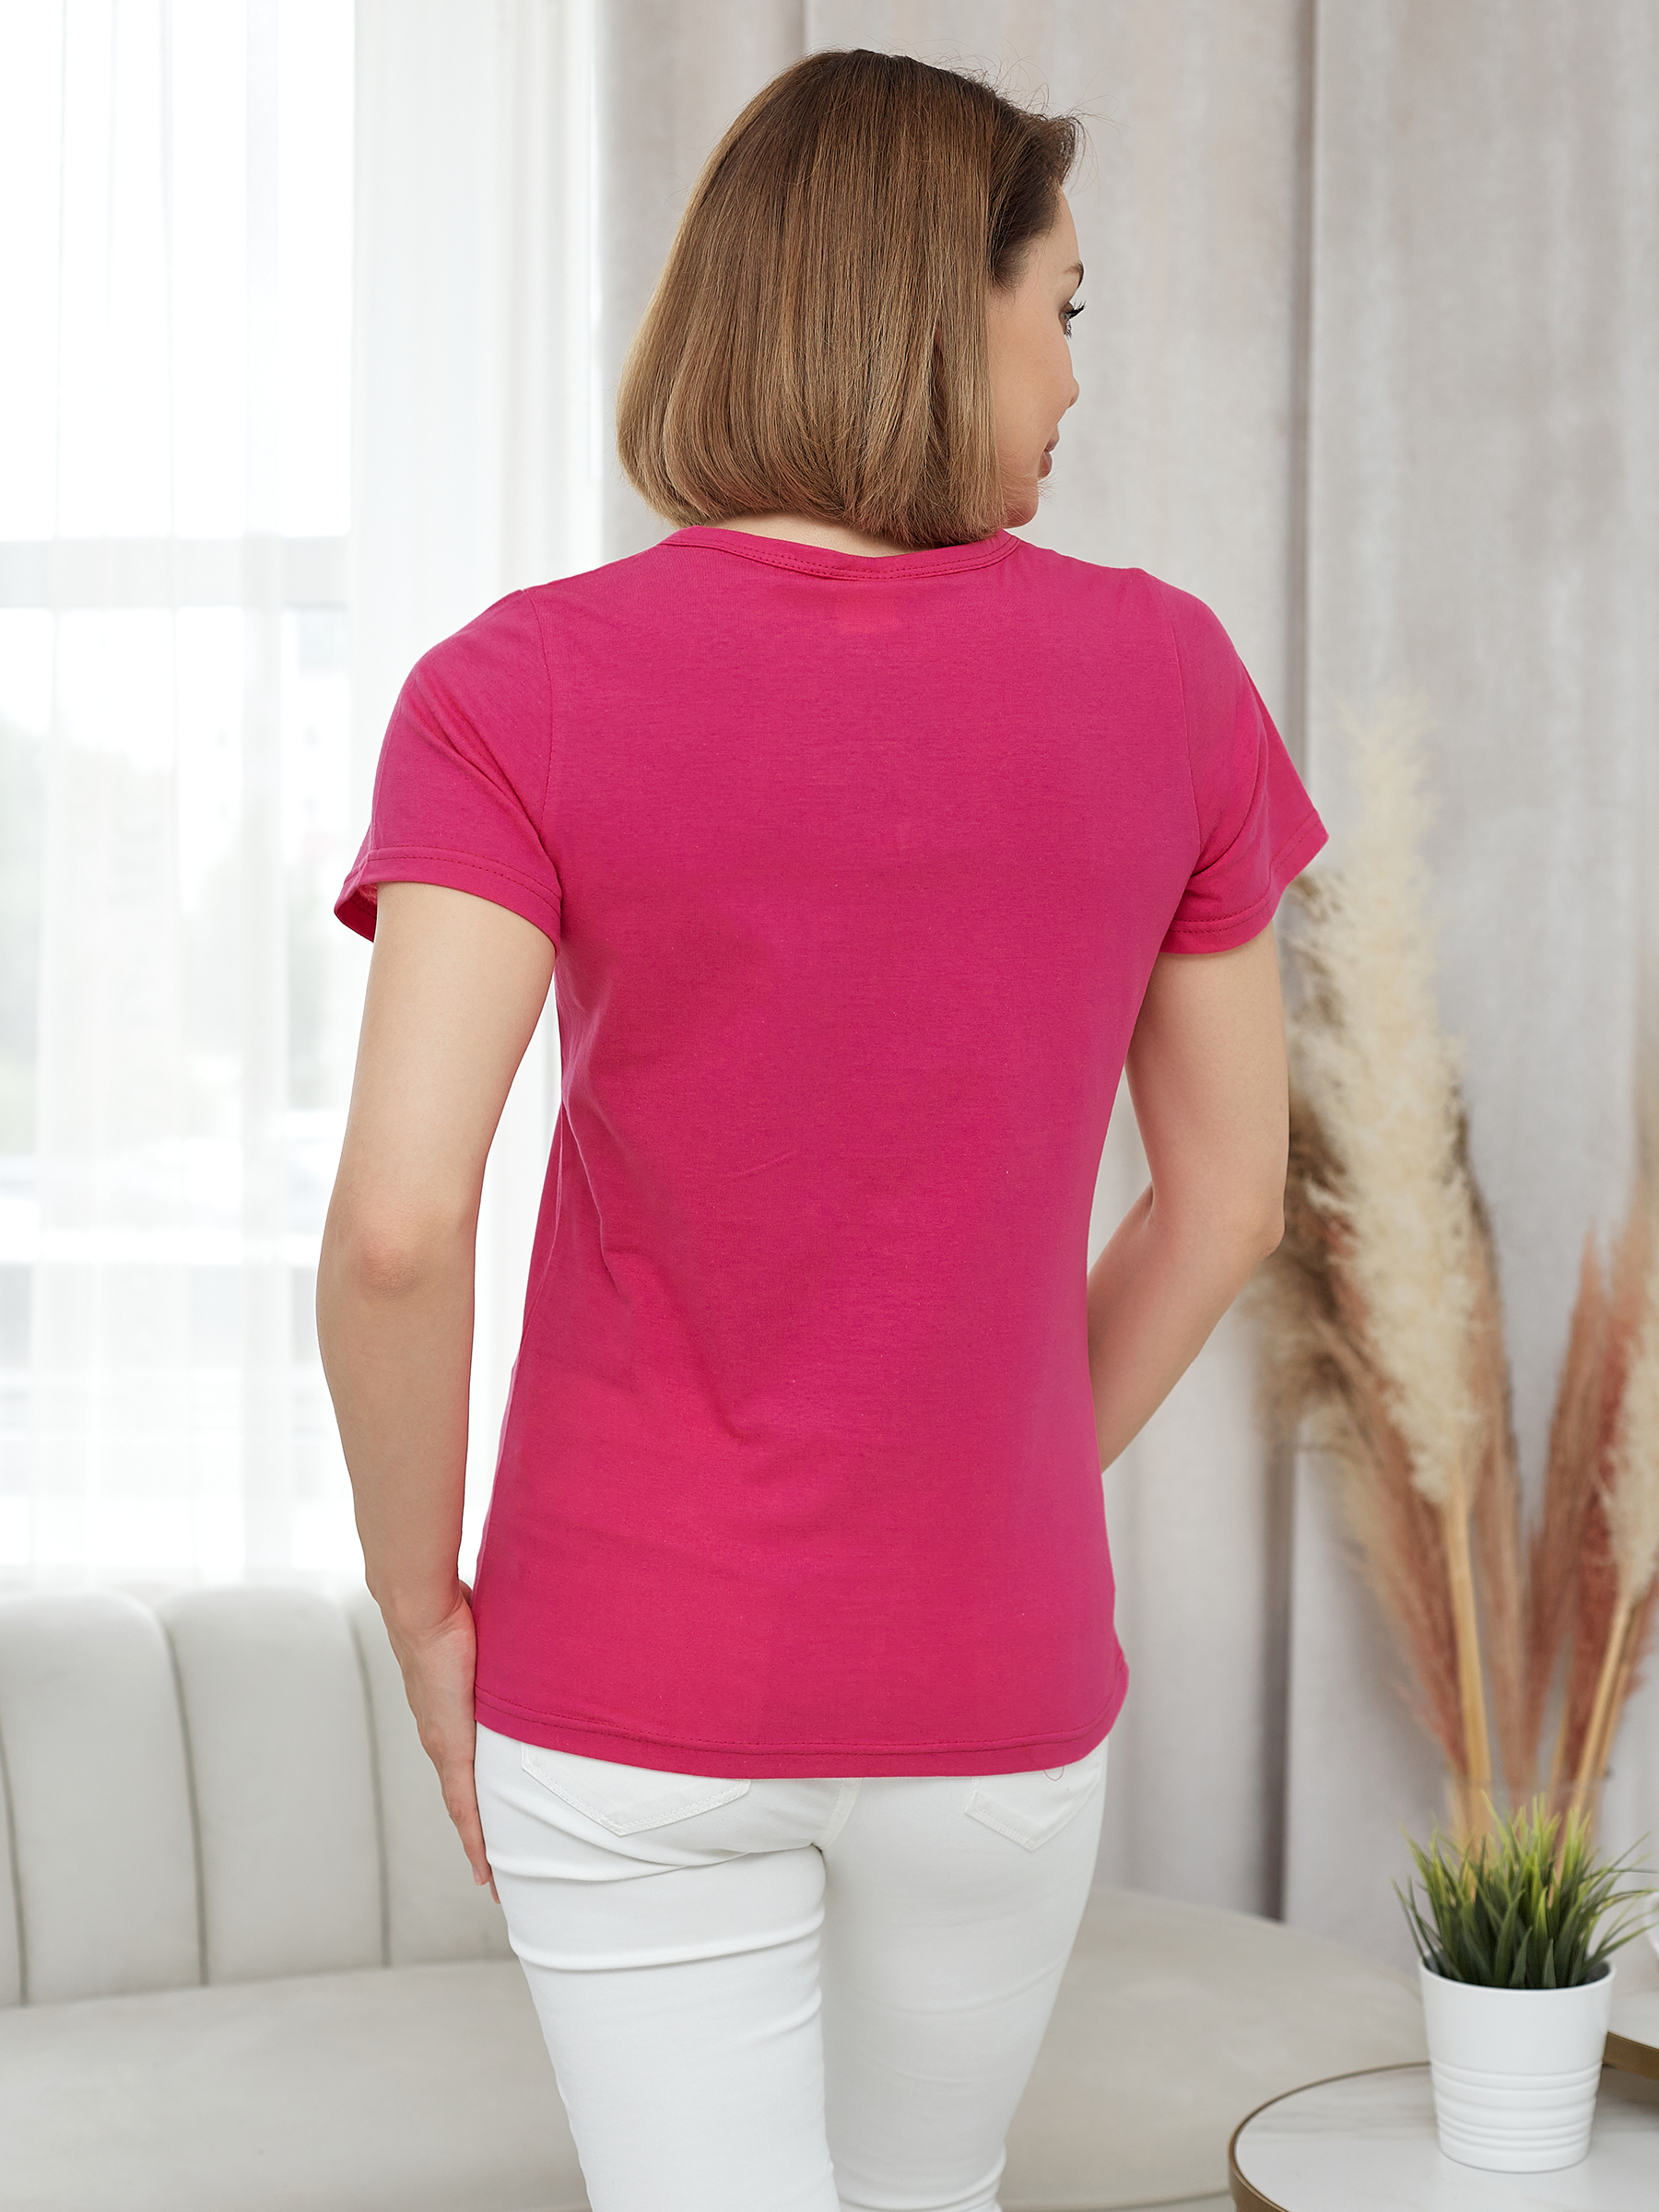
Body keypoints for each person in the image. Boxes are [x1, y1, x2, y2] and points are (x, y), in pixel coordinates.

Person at [316, 46, 1327, 2212]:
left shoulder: (516, 687)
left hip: (625, 1667)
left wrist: (424, 1615)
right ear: (938, 304)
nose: (1077, 373)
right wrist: (988, 1477)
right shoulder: (1169, 678)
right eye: (1062, 307)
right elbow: (1230, 1201)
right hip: (994, 1674)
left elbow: (400, 1224)